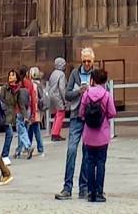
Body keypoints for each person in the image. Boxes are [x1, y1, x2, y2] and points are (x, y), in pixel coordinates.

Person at [55, 45, 98, 200]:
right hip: (76, 116)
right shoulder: (75, 73)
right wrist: (79, 91)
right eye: (84, 61)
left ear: (93, 61)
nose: (86, 64)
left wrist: (91, 91)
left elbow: (103, 92)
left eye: (89, 61)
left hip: (90, 117)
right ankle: (67, 187)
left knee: (87, 152)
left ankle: (83, 187)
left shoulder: (96, 74)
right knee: (71, 150)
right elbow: (67, 94)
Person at [76, 67, 115, 205]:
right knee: (101, 163)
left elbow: (81, 112)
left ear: (93, 80)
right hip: (102, 134)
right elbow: (112, 113)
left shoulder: (86, 94)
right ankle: (99, 192)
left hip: (89, 134)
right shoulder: (106, 95)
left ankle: (90, 192)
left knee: (90, 162)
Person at [42, 60, 67, 143]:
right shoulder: (61, 74)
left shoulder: (53, 73)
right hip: (58, 96)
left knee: (57, 114)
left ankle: (54, 132)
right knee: (61, 114)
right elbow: (62, 88)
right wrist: (65, 100)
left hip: (52, 95)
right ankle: (55, 134)